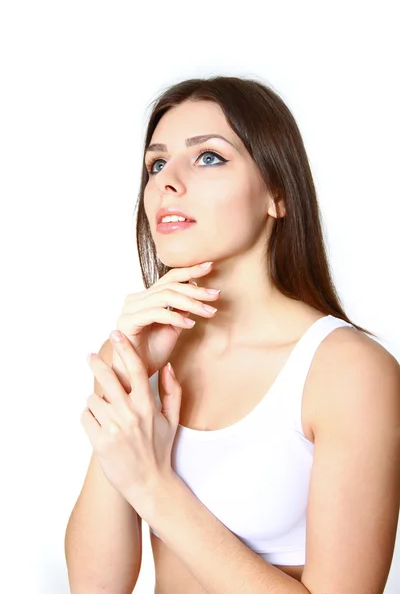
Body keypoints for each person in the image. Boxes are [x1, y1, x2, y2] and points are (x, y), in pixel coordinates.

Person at [65, 76, 400, 594]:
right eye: (156, 164)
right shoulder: (142, 353)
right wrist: (126, 377)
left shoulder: (348, 372)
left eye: (208, 158)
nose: (167, 182)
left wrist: (153, 486)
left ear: (277, 195)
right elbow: (94, 586)